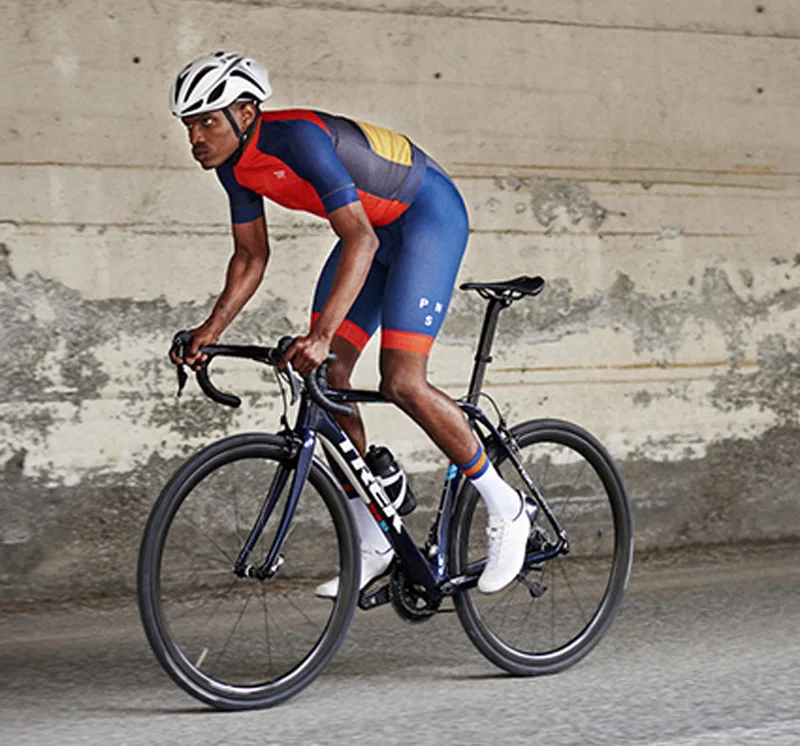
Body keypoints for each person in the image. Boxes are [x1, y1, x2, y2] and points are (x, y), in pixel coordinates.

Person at [169, 51, 530, 595]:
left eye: (206, 122)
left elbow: (359, 237)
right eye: (188, 126)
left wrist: (321, 335)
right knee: (329, 378)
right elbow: (250, 255)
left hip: (426, 220)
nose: (196, 137)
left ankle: (507, 506)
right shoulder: (232, 166)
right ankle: (376, 534)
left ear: (245, 114)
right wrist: (209, 330)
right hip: (373, 235)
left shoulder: (297, 139)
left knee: (401, 381)